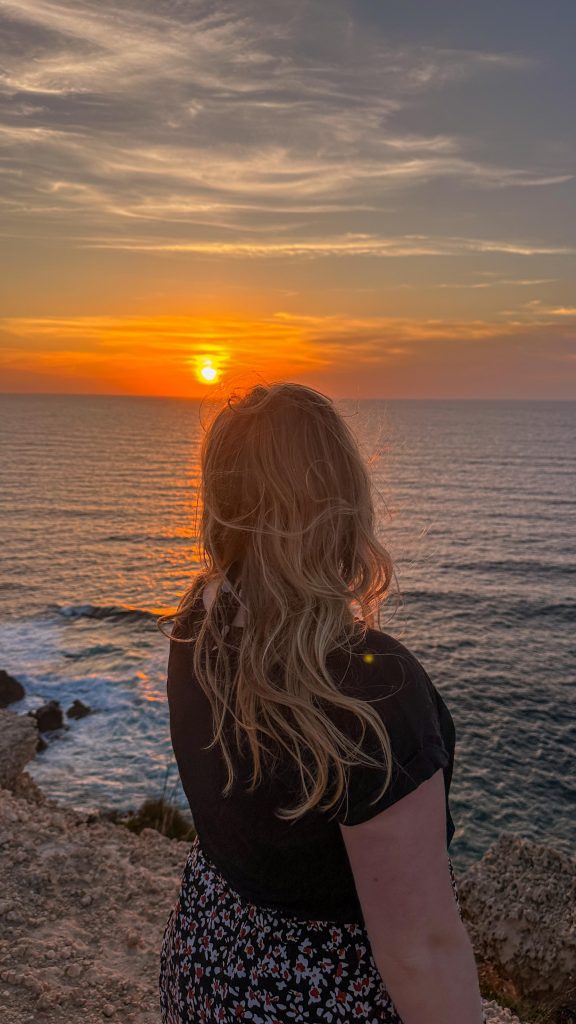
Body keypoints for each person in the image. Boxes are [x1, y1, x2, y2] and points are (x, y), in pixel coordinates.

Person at [157, 382, 486, 1024]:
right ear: (342, 503)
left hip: (207, 961)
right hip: (314, 998)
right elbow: (420, 947)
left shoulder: (197, 620)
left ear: (222, 499)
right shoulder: (372, 686)